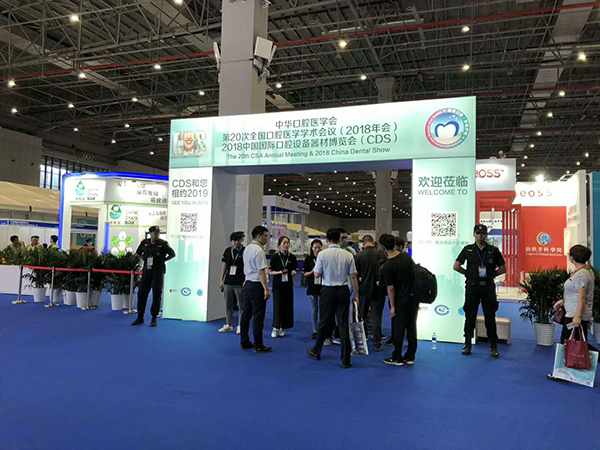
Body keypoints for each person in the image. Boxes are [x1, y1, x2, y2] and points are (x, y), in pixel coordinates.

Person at [307, 227, 359, 369]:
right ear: (340, 239)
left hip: (327, 290)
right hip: (342, 290)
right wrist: (356, 295)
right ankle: (346, 359)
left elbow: (316, 274)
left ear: (327, 240)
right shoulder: (348, 255)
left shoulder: (322, 254)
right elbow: (353, 276)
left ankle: (316, 350)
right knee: (343, 324)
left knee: (323, 321)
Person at [453, 224, 506, 358]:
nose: (480, 236)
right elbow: (456, 266)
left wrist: (491, 275)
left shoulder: (493, 250)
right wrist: (468, 274)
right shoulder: (468, 250)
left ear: (486, 235)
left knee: (490, 316)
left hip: (487, 286)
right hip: (472, 286)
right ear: (474, 234)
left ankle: (493, 345)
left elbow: (503, 268)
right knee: (470, 315)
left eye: (483, 234)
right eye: (478, 233)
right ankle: (467, 344)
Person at [379, 233, 417, 366]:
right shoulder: (406, 257)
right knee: (411, 327)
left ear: (383, 247)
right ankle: (410, 356)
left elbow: (391, 288)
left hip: (400, 299)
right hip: (413, 297)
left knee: (398, 328)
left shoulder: (388, 265)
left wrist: (393, 306)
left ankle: (397, 356)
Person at [131, 226, 176, 327]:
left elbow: (172, 254)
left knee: (156, 294)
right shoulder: (144, 243)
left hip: (157, 271)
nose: (157, 234)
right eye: (155, 233)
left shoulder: (163, 244)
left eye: (158, 233)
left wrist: (163, 260)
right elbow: (138, 253)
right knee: (142, 294)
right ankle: (140, 317)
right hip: (146, 271)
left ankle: (154, 318)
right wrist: (145, 258)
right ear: (150, 233)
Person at [239, 225, 272, 354]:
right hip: (257, 285)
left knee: (246, 314)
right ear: (258, 236)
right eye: (265, 236)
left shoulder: (247, 248)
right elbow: (261, 271)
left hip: (248, 283)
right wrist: (266, 289)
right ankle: (258, 344)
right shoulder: (259, 251)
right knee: (258, 316)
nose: (267, 239)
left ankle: (244, 341)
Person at [553, 245, 595, 344]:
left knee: (571, 344)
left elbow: (582, 297)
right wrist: (562, 301)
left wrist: (577, 316)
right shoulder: (584, 271)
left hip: (575, 314)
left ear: (572, 258)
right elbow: (576, 292)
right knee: (576, 343)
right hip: (574, 312)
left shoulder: (581, 274)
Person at [355, 235, 387, 351]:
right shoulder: (381, 254)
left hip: (364, 289)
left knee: (362, 315)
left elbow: (356, 273)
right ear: (373, 241)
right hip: (378, 289)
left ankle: (363, 338)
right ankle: (377, 342)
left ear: (363, 244)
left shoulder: (359, 255)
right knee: (377, 316)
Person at [269, 236, 298, 337]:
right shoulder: (275, 257)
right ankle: (275, 327)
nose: (286, 245)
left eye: (287, 243)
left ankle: (282, 327)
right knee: (277, 306)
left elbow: (295, 269)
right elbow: (270, 272)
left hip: (288, 285)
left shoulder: (292, 257)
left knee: (287, 306)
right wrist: (280, 272)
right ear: (279, 245)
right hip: (278, 285)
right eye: (284, 243)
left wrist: (293, 272)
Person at [219, 232, 245, 334]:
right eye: (234, 241)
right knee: (228, 304)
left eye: (238, 240)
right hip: (228, 282)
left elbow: (247, 267)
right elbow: (224, 265)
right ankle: (228, 324)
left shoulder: (245, 251)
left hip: (240, 282)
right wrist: (222, 280)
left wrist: (245, 280)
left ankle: (240, 325)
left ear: (241, 240)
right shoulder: (227, 251)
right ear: (231, 241)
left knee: (241, 305)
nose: (236, 243)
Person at [303, 239, 323, 340]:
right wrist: (313, 271)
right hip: (312, 286)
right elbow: (305, 274)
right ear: (312, 248)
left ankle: (323, 328)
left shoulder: (323, 257)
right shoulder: (309, 259)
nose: (317, 250)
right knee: (314, 309)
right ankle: (315, 330)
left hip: (323, 286)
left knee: (323, 309)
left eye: (319, 247)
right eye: (315, 248)